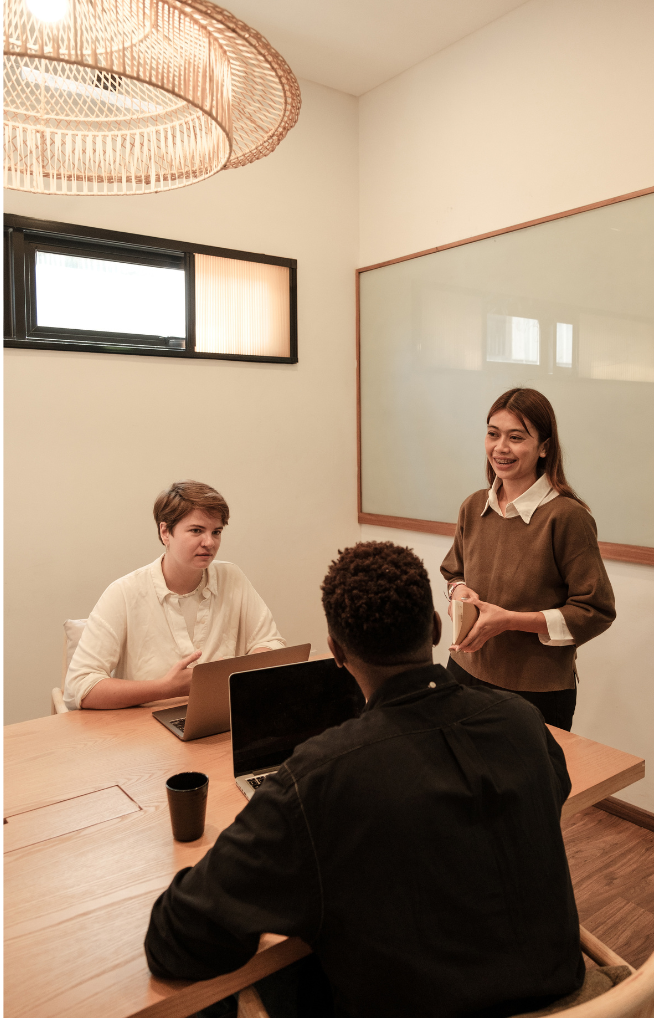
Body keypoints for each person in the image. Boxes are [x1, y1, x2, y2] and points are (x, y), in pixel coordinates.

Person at [145, 541, 585, 1018]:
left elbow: (176, 939)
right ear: (436, 629)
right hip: (565, 992)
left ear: (335, 651)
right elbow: (541, 798)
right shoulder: (521, 721)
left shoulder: (317, 780)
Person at [441, 387, 616, 731]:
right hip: (463, 671)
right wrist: (458, 593)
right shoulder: (474, 506)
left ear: (544, 447)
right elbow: (454, 572)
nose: (500, 447)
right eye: (493, 434)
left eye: (516, 437)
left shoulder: (566, 517)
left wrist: (509, 620)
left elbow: (595, 611)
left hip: (535, 690)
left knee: (530, 785)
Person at [63, 480, 285, 710]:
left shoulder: (231, 576)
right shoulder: (124, 593)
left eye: (216, 532)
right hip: (142, 731)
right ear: (165, 532)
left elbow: (271, 643)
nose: (209, 542)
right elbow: (79, 687)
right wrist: (166, 688)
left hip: (218, 718)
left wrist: (239, 669)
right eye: (196, 530)